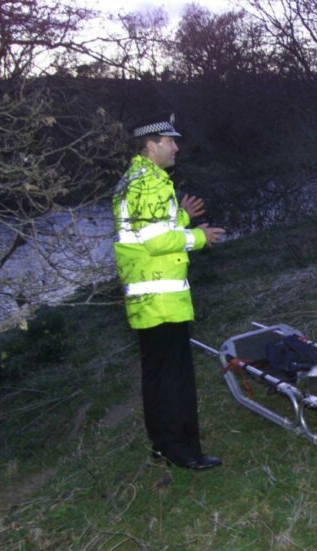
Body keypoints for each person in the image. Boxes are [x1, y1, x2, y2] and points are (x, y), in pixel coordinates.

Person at [112, 113, 226, 471]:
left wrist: (183, 217)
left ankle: (163, 445)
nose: (176, 147)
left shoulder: (133, 181)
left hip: (147, 302)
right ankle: (185, 452)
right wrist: (198, 237)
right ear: (150, 145)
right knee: (175, 379)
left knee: (157, 377)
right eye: (169, 141)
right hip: (162, 301)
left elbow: (152, 228)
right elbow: (156, 239)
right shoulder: (149, 183)